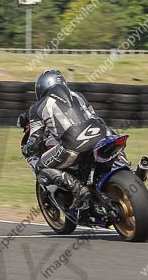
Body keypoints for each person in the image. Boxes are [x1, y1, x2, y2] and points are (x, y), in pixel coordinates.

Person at [18, 70, 111, 211]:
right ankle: (132, 170)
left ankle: (79, 190)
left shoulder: (37, 108)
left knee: (41, 168)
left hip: (73, 145)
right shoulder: (79, 96)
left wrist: (26, 150)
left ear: (41, 88)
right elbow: (96, 118)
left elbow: (36, 140)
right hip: (101, 135)